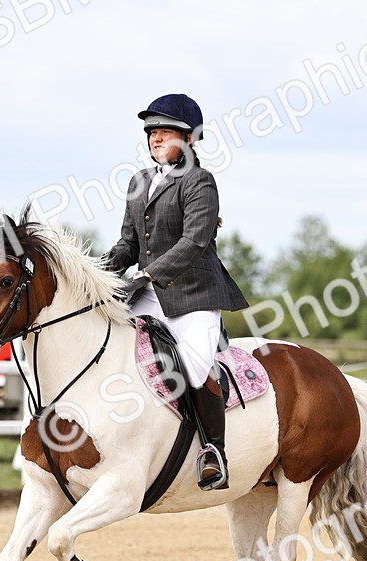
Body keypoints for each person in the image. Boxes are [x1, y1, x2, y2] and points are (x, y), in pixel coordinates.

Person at [103, 93, 249, 490]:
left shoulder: (200, 181)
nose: (155, 137)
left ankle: (213, 451)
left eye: (164, 131)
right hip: (146, 294)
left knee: (194, 366)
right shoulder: (139, 182)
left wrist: (148, 275)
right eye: (151, 131)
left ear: (188, 138)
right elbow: (127, 245)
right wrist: (96, 274)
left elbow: (194, 241)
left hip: (194, 296)